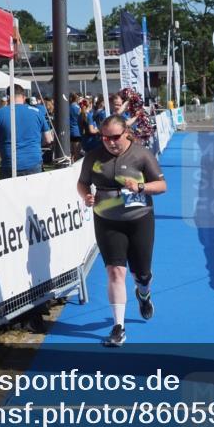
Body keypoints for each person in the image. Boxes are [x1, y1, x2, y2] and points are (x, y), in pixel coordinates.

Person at [77, 115, 168, 347]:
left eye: (115, 137)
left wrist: (140, 186)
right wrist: (86, 196)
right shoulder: (94, 156)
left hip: (139, 220)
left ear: (126, 132)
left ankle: (143, 293)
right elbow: (82, 182)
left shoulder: (141, 154)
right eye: (105, 138)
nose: (110, 142)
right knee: (115, 272)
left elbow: (161, 185)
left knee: (142, 273)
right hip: (106, 220)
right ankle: (119, 327)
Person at [0, 85, 53, 178]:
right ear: (24, 97)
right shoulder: (37, 112)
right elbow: (48, 139)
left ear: (8, 97)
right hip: (33, 164)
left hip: (9, 165)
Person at [68, 92, 83, 160]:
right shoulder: (78, 108)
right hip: (77, 131)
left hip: (70, 131)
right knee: (77, 152)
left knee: (71, 152)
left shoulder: (68, 107)